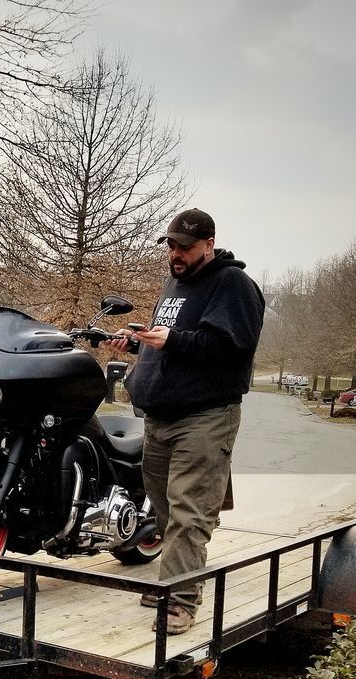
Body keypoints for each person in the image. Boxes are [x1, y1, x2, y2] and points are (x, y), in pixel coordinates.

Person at [105, 208, 265, 635]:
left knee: (189, 512)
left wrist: (171, 339)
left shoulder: (233, 285)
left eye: (185, 246)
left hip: (206, 416)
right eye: (171, 245)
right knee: (163, 508)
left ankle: (179, 601)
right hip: (161, 416)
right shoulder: (174, 284)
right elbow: (176, 348)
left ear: (208, 244)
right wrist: (141, 346)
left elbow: (233, 347)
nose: (175, 253)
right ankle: (171, 582)